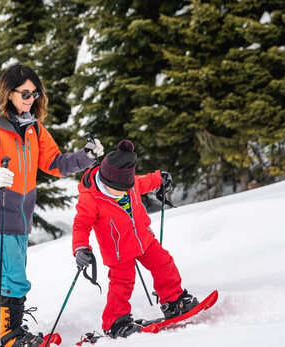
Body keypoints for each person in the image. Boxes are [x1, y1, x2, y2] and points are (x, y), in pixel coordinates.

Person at [0, 63, 104, 347]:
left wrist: (86, 156)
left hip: (18, 218)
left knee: (8, 280)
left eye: (35, 93)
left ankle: (7, 334)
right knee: (12, 279)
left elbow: (54, 162)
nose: (31, 99)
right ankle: (9, 337)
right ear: (8, 93)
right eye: (25, 93)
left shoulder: (32, 128)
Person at [72, 139, 198, 339]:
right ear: (105, 181)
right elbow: (81, 224)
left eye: (127, 187)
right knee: (121, 285)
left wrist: (160, 179)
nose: (124, 191)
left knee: (164, 263)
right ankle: (116, 322)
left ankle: (174, 301)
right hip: (118, 252)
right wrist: (81, 248)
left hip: (144, 239)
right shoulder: (91, 198)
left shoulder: (129, 184)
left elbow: (144, 182)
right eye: (119, 189)